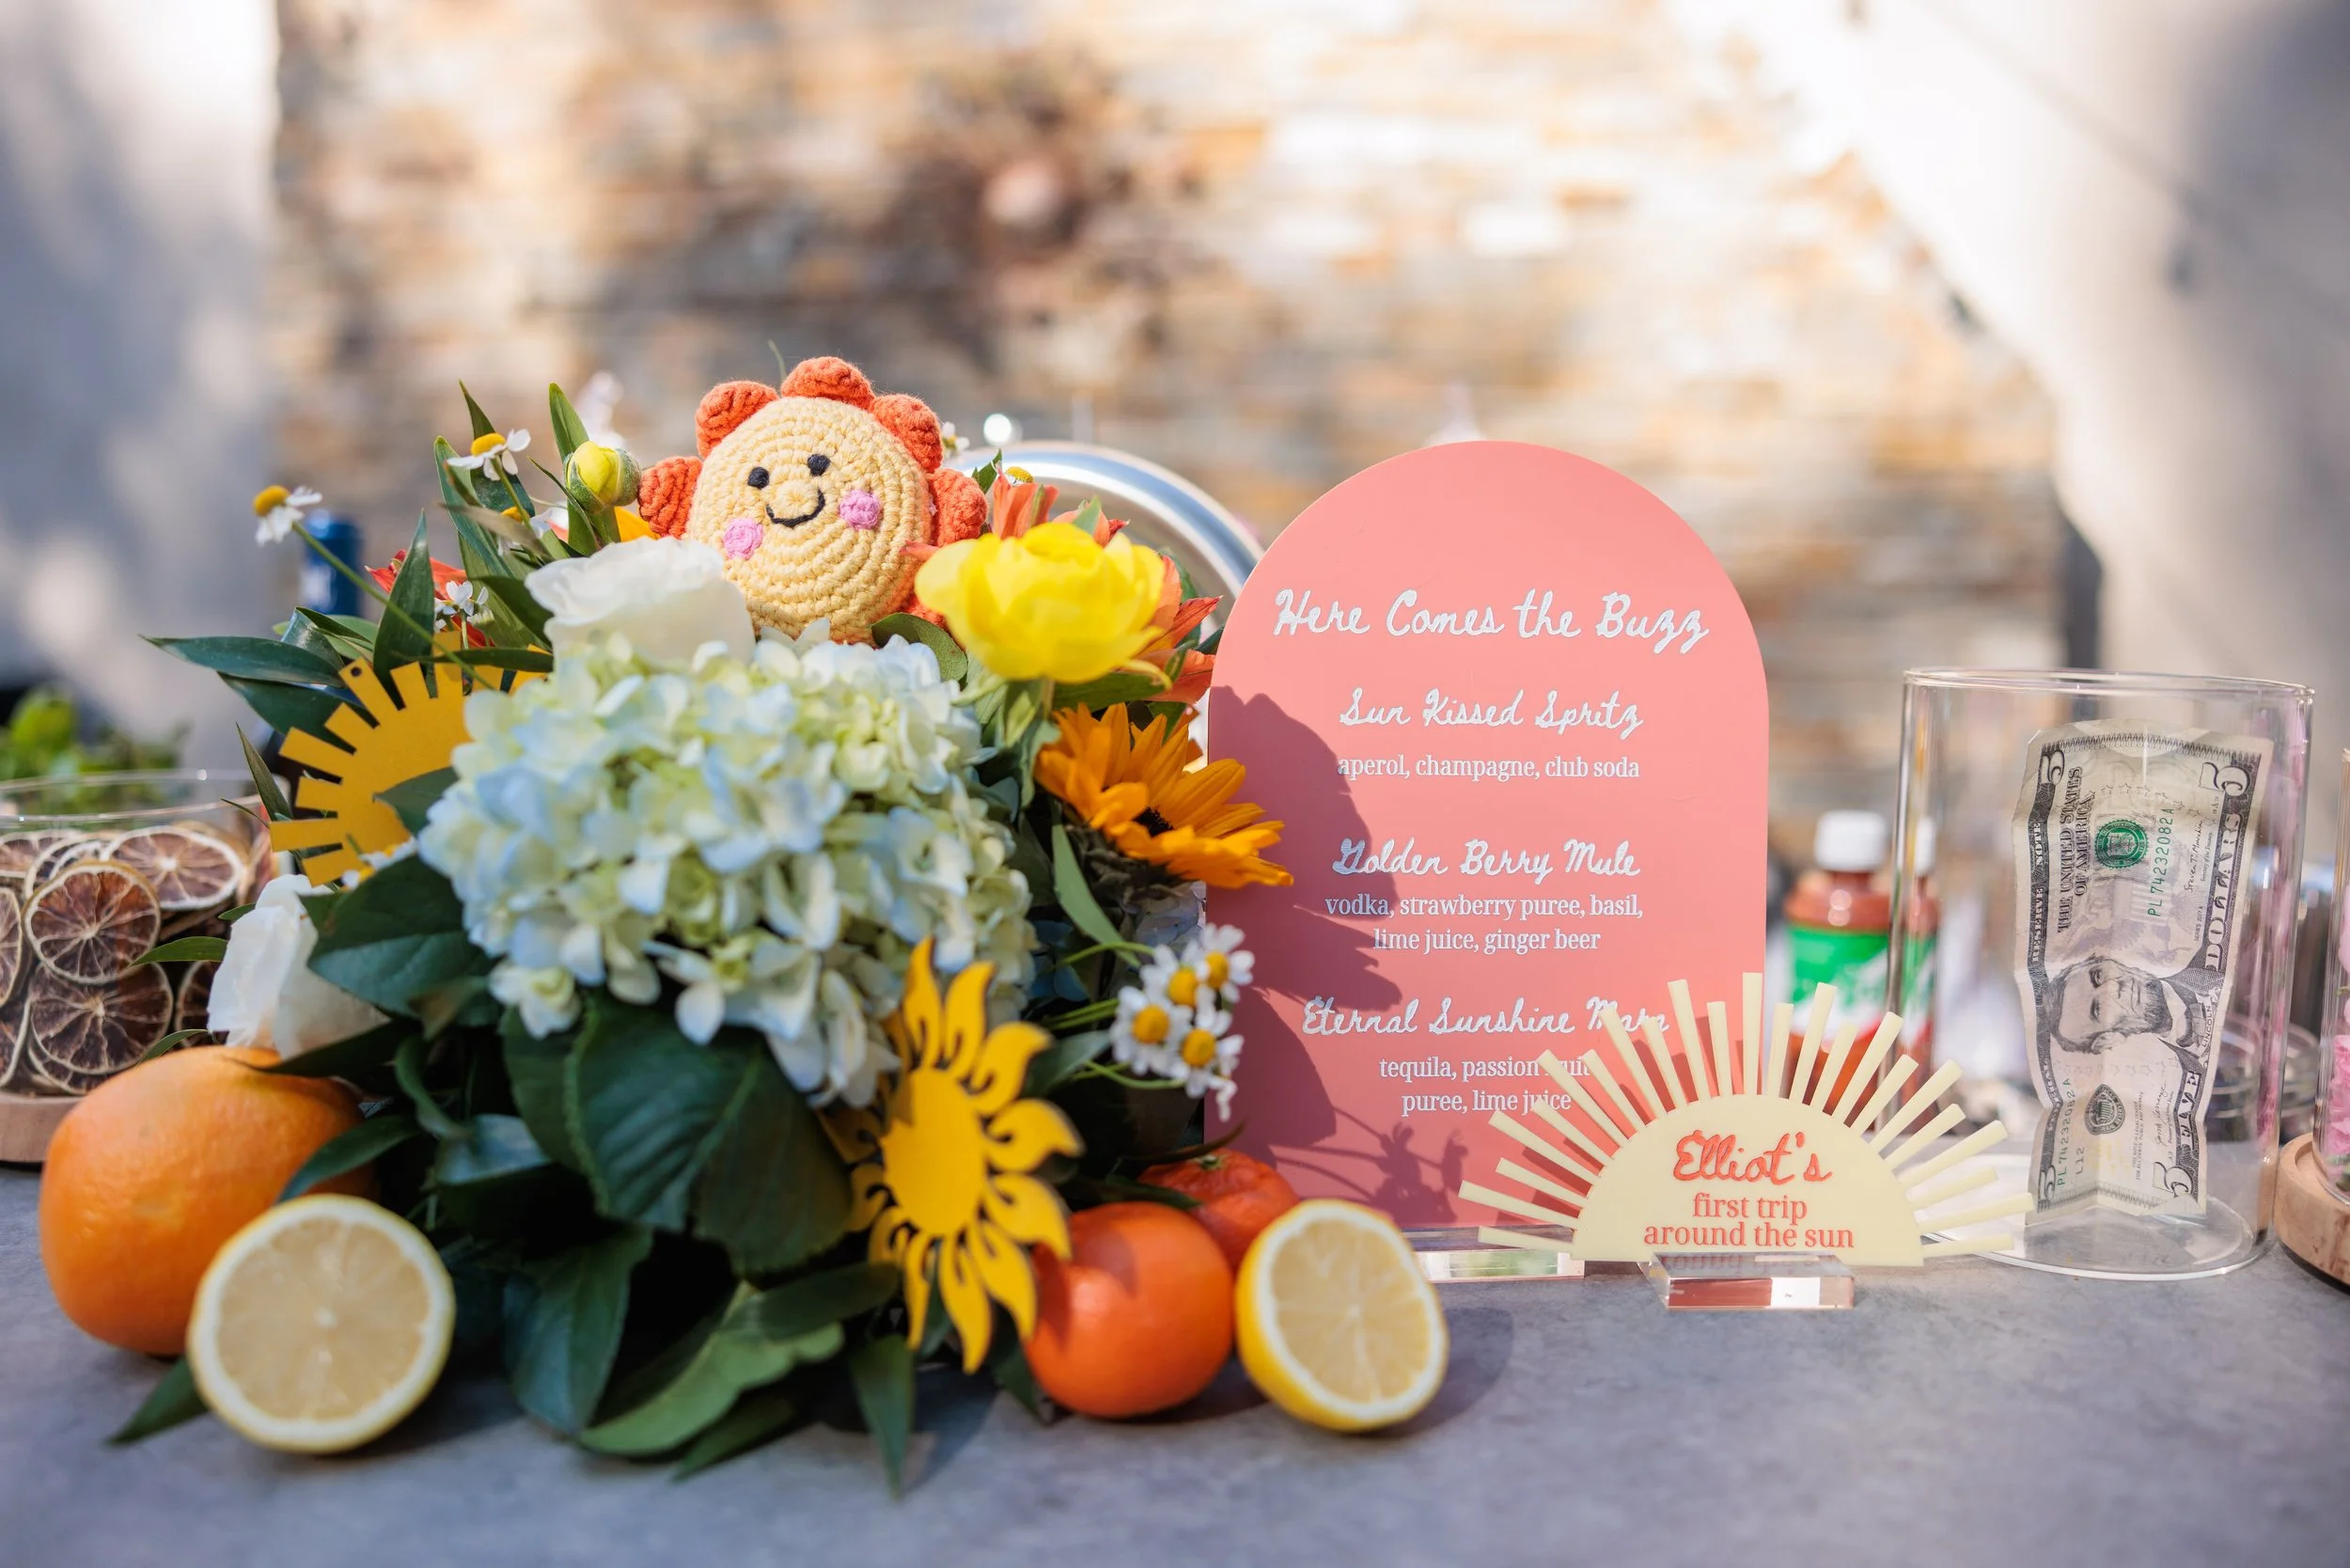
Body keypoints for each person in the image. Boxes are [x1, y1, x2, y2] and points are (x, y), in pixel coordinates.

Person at [2040, 956, 2221, 1058]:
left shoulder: (2212, 965)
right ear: (2108, 1040)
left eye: (2098, 976)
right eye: (2098, 1009)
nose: (2113, 987)